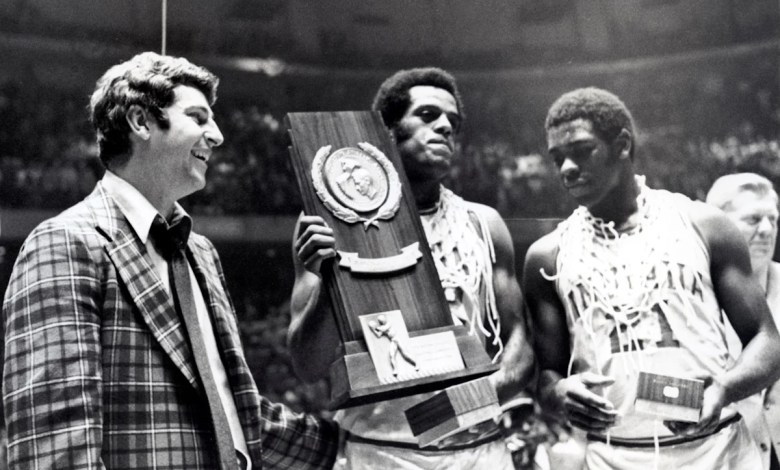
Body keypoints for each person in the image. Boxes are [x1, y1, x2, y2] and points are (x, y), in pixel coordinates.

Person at [2, 52, 337, 469]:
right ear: (141, 122)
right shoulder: (65, 243)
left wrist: (352, 444)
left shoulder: (201, 252)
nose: (217, 135)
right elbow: (52, 448)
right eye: (198, 118)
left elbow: (240, 416)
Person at [289, 67, 534, 469]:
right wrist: (331, 280)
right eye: (427, 115)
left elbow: (521, 340)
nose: (444, 127)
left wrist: (477, 398)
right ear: (386, 128)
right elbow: (307, 366)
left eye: (452, 122)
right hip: (381, 452)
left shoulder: (484, 224)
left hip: (482, 451)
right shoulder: (325, 220)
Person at [523, 87, 780, 469]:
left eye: (580, 151)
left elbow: (767, 340)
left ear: (622, 144)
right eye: (558, 157)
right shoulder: (547, 255)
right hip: (613, 455)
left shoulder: (703, 225)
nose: (566, 168)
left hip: (718, 449)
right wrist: (560, 391)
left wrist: (725, 388)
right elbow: (548, 376)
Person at [706, 172, 780, 470]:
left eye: (773, 219)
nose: (766, 230)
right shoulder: (689, 297)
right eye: (753, 219)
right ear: (717, 225)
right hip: (723, 458)